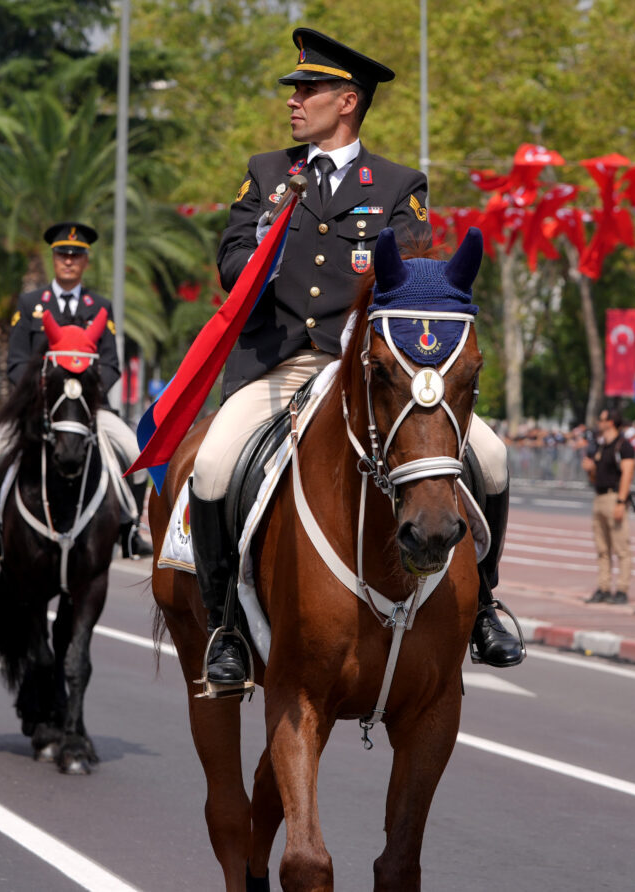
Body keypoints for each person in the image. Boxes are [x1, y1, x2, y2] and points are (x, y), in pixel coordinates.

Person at [193, 28, 522, 686]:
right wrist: (262, 244)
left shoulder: (400, 185)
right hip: (280, 365)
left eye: (307, 89)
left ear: (347, 101)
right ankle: (225, 624)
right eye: (294, 90)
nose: (293, 100)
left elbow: (409, 272)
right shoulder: (267, 173)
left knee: (491, 457)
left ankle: (484, 603)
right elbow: (230, 266)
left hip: (370, 370)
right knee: (211, 466)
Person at [0, 222, 150, 561]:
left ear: (86, 261)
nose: (69, 260)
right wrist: (38, 394)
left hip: (89, 408)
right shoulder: (30, 304)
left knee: (133, 452)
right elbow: (16, 361)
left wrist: (88, 394)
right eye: (62, 254)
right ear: (53, 258)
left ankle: (131, 530)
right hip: (39, 408)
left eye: (76, 255)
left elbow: (112, 362)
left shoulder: (99, 306)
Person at [582, 407, 635, 604]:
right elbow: (595, 476)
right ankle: (603, 587)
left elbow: (627, 474)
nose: (599, 423)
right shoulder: (601, 446)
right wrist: (590, 470)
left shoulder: (623, 446)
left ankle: (622, 589)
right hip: (599, 497)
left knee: (621, 548)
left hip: (614, 497)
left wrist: (621, 501)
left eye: (602, 419)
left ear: (611, 422)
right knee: (602, 548)